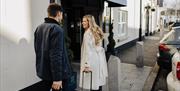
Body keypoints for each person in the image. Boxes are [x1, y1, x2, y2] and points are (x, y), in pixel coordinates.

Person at [34, 3, 71, 91]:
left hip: (44, 73)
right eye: (62, 14)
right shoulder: (57, 29)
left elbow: (37, 50)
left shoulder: (39, 28)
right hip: (56, 77)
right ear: (59, 13)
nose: (62, 17)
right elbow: (56, 55)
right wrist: (57, 79)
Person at [79, 15, 108, 91]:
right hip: (98, 60)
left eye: (84, 21)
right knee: (97, 83)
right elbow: (99, 47)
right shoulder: (96, 31)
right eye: (83, 21)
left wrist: (87, 64)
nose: (82, 23)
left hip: (91, 61)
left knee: (92, 83)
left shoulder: (87, 34)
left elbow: (88, 51)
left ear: (89, 22)